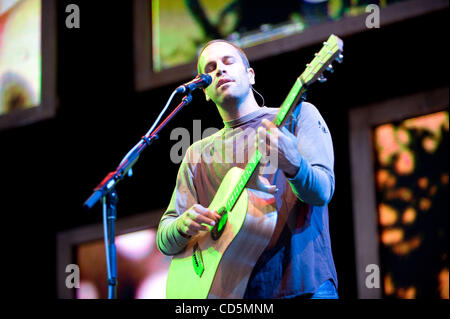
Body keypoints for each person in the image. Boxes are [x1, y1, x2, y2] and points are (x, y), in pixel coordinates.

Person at [157, 39, 338, 299]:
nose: (219, 69)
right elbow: (165, 238)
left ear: (250, 75)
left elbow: (322, 191)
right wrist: (182, 225)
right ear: (205, 93)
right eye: (210, 68)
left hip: (305, 289)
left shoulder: (299, 116)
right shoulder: (196, 154)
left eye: (228, 62)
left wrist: (293, 164)